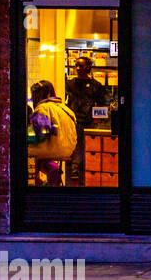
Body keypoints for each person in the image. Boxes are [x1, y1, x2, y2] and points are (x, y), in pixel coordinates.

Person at [65, 56, 108, 186]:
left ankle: (85, 175)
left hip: (88, 122)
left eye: (81, 66)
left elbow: (102, 104)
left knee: (87, 149)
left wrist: (97, 120)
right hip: (72, 121)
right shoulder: (69, 84)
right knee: (73, 148)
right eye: (76, 65)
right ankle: (72, 174)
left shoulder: (96, 86)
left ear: (88, 67)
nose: (77, 68)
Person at [28, 80, 78, 187]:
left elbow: (41, 134)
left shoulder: (42, 108)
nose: (33, 99)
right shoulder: (66, 109)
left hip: (52, 149)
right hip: (68, 150)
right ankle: (53, 174)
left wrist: (27, 137)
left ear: (46, 94)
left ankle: (36, 184)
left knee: (23, 152)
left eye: (35, 95)